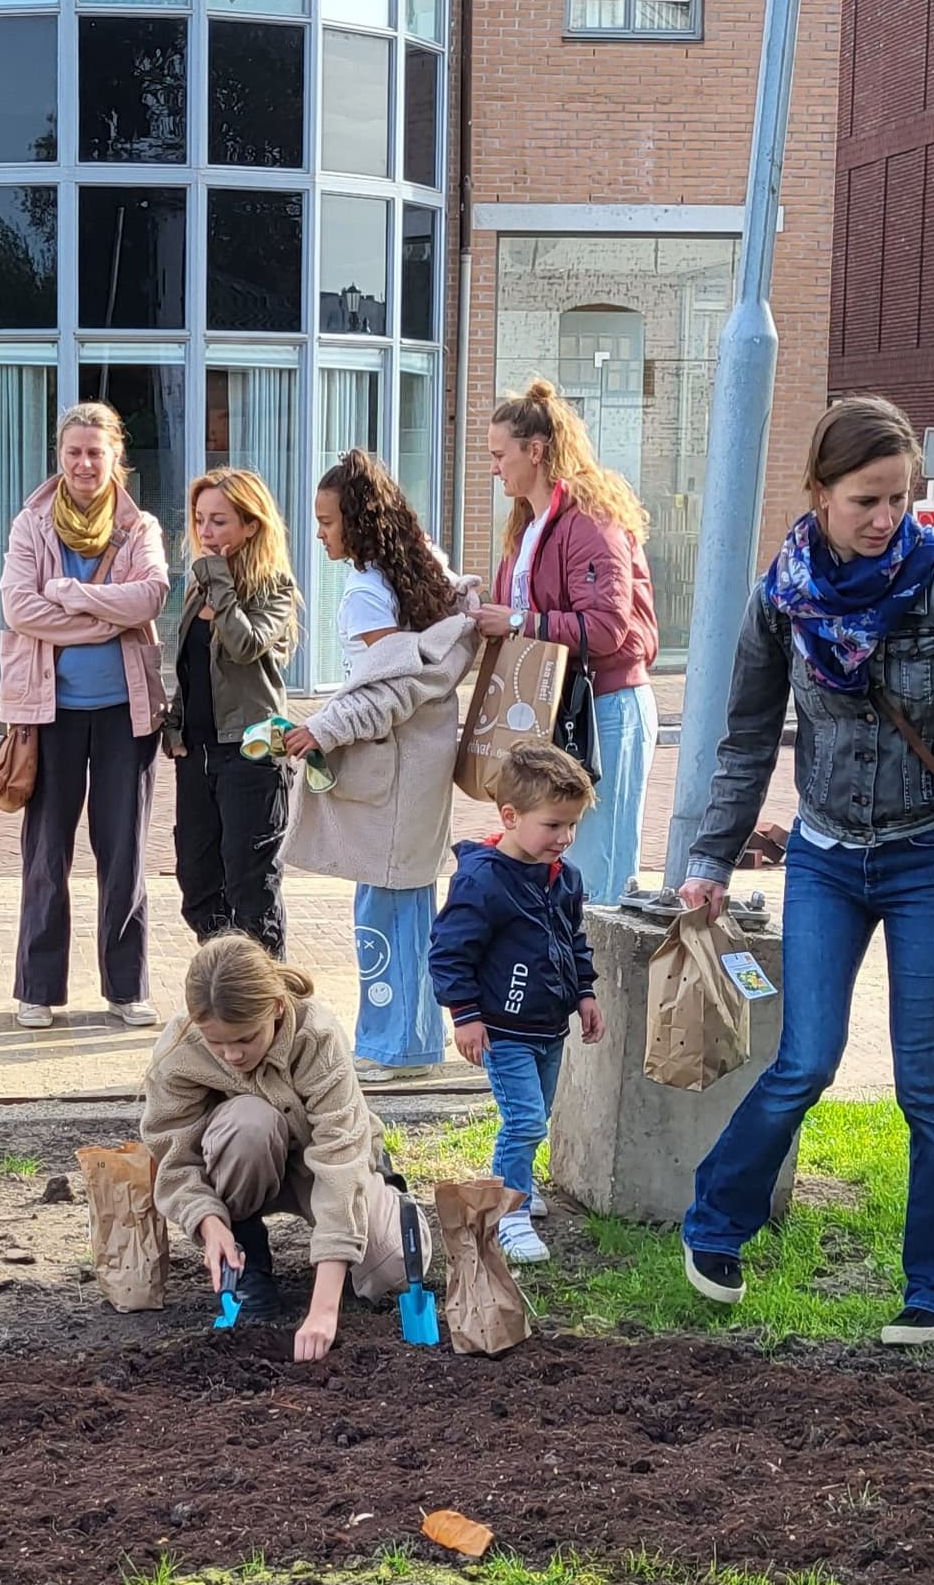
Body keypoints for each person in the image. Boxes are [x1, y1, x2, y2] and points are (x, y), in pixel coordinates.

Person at [673, 395, 934, 1342]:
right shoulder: (779, 597)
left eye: (900, 499)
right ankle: (715, 1226)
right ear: (820, 492)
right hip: (826, 857)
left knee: (925, 1084)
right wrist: (710, 858)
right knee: (805, 1061)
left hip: (930, 860)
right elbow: (747, 741)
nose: (885, 519)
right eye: (867, 499)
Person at [278, 449, 469, 1082]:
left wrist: (322, 728)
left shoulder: (366, 592)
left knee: (382, 917)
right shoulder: (425, 568)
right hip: (421, 769)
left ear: (357, 523)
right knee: (408, 907)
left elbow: (390, 690)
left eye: (327, 521)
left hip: (392, 771)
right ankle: (413, 1041)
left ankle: (390, 1048)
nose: (320, 534)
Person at [138, 934, 410, 1363]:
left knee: (393, 1266)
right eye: (216, 1043)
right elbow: (174, 1155)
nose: (231, 1055)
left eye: (246, 1039)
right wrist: (209, 1223)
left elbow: (339, 1159)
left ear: (277, 1008)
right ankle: (248, 1262)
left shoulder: (316, 1035)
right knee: (249, 1124)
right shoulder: (179, 1048)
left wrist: (324, 1309)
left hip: (320, 1167)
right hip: (243, 1162)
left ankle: (381, 1204)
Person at [0, 402, 174, 1032]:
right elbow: (19, 609)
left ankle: (126, 989)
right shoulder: (31, 525)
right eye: (73, 452)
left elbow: (150, 596)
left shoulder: (139, 526)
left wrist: (70, 595)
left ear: (115, 456)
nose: (83, 464)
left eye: (95, 452)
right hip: (50, 713)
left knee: (123, 853)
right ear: (60, 456)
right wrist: (106, 619)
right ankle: (38, 989)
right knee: (47, 855)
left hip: (127, 712)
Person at [478, 380, 659, 904]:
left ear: (535, 451)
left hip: (604, 708)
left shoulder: (589, 522)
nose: (494, 469)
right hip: (566, 708)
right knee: (562, 869)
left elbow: (606, 628)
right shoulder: (531, 526)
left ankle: (594, 958)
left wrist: (517, 621)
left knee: (596, 875)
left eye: (500, 456)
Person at [430, 744, 604, 1263]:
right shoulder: (482, 881)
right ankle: (509, 1215)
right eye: (553, 825)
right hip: (503, 1031)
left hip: (550, 1027)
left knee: (536, 1116)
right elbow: (449, 952)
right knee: (525, 1121)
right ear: (510, 816)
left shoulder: (564, 878)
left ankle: (516, 1183)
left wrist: (585, 991)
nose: (564, 838)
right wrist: (465, 1015)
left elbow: (573, 939)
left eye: (572, 825)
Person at [159, 467, 303, 954]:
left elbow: (243, 645)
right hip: (198, 754)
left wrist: (219, 579)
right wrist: (175, 726)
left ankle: (265, 991)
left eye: (219, 521)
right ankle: (225, 980)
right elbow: (192, 665)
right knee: (198, 884)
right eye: (200, 520)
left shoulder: (273, 588)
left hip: (252, 752)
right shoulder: (199, 586)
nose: (205, 532)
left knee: (251, 889)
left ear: (251, 525)